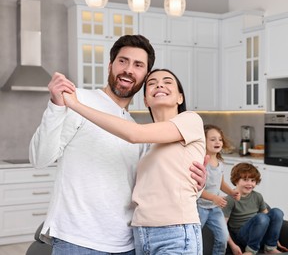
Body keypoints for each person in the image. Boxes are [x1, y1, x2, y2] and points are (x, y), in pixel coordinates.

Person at [29, 35, 207, 255]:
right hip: (78, 239)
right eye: (123, 61)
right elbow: (39, 158)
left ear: (144, 76)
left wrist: (197, 186)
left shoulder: (141, 134)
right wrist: (57, 106)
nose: (129, 70)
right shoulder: (78, 101)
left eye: (138, 65)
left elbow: (155, 186)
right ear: (110, 65)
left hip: (128, 243)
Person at [63, 68, 206, 254]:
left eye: (167, 81)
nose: (159, 84)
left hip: (176, 233)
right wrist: (200, 185)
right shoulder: (148, 146)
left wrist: (76, 105)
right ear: (146, 100)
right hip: (141, 234)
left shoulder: (190, 120)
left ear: (180, 97)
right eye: (152, 83)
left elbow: (134, 134)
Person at [223, 162, 288, 255]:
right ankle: (251, 251)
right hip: (244, 236)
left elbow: (269, 218)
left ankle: (270, 248)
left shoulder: (257, 196)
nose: (250, 184)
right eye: (245, 180)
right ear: (236, 180)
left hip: (261, 235)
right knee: (261, 217)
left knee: (277, 212)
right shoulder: (230, 199)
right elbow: (222, 226)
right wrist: (233, 246)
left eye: (253, 180)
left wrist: (275, 239)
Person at [197, 124, 240, 255]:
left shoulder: (220, 162)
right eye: (213, 139)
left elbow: (220, 183)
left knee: (222, 238)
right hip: (199, 207)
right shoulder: (200, 163)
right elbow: (196, 190)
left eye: (220, 139)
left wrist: (231, 192)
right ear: (203, 141)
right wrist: (214, 198)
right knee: (195, 239)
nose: (218, 142)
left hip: (214, 209)